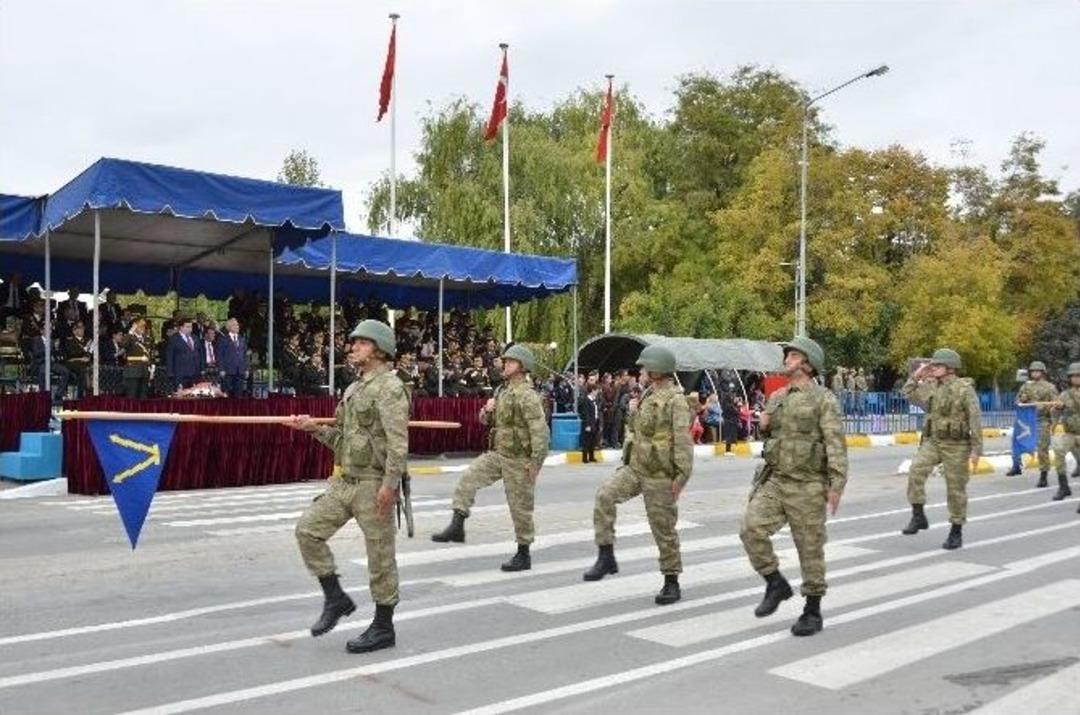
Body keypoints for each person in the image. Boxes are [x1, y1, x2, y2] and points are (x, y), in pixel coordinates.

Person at [289, 319, 409, 654]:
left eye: (361, 343)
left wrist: (389, 485)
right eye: (353, 342)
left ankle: (384, 626)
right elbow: (343, 441)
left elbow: (398, 444)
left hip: (374, 484)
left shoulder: (390, 388)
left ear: (379, 350)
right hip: (345, 481)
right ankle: (335, 597)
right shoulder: (353, 389)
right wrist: (313, 428)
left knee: (380, 556)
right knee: (307, 530)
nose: (352, 347)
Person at [740, 336, 846, 636]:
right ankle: (776, 583)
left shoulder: (823, 399)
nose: (787, 359)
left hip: (808, 485)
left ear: (808, 364)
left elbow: (835, 443)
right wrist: (763, 423)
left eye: (793, 355)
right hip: (776, 479)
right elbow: (768, 435)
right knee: (750, 528)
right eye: (787, 354)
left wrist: (837, 483)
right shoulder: (779, 397)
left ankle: (812, 610)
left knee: (809, 549)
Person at [582, 345, 693, 606]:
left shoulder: (675, 401)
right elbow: (637, 430)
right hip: (636, 467)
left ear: (657, 370)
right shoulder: (646, 395)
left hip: (661, 474)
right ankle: (606, 555)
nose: (640, 371)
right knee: (605, 496)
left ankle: (671, 580)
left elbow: (683, 443)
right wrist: (632, 412)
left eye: (644, 367)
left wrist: (680, 479)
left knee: (663, 529)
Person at [431, 345, 550, 572]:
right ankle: (457, 525)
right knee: (468, 478)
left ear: (521, 367)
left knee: (520, 507)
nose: (504, 365)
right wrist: (487, 410)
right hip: (498, 454)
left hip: (518, 459)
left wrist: (536, 462)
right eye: (504, 361)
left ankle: (523, 553)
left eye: (509, 362)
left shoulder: (527, 395)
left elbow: (540, 431)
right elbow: (485, 421)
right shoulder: (501, 391)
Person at [899, 348, 982, 549]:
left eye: (937, 365)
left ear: (950, 367)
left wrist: (976, 449)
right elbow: (907, 393)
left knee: (955, 488)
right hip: (933, 442)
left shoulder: (964, 388)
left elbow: (975, 417)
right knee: (916, 471)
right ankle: (918, 516)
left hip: (957, 445)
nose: (933, 368)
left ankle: (956, 530)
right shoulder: (931, 387)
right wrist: (917, 375)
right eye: (933, 365)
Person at [1007, 361, 1058, 485]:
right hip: (1027, 421)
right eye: (1032, 371)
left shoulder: (1049, 387)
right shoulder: (1026, 386)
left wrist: (1052, 419)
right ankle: (1016, 466)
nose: (1034, 373)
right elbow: (1017, 401)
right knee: (1017, 442)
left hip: (1042, 420)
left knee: (1042, 448)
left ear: (1043, 372)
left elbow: (1055, 404)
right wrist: (1022, 399)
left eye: (1037, 371)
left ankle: (1043, 475)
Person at [1049, 362, 1080, 505]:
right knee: (1059, 450)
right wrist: (1056, 409)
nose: (1076, 378)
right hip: (1071, 433)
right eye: (1073, 376)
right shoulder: (1065, 394)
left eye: (1078, 376)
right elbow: (1054, 412)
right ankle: (1064, 486)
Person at [217, 317, 249, 397]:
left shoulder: (242, 339)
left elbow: (245, 355)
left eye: (237, 325)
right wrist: (221, 369)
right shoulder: (223, 339)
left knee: (239, 394)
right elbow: (220, 355)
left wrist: (246, 368)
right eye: (235, 325)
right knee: (226, 393)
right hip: (228, 371)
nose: (237, 327)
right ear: (229, 327)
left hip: (240, 371)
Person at [166, 318, 201, 392]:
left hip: (194, 373)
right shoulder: (174, 339)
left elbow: (200, 353)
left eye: (191, 327)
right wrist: (170, 372)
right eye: (187, 327)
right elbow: (170, 356)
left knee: (194, 394)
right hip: (180, 373)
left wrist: (201, 368)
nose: (190, 329)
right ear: (181, 328)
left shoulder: (195, 338)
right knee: (181, 395)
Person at [122, 318, 151, 399]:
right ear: (135, 326)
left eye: (144, 326)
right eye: (140, 326)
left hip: (144, 370)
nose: (143, 328)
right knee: (132, 396)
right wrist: (131, 331)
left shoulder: (147, 339)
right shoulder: (130, 337)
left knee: (143, 397)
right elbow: (123, 344)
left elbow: (150, 353)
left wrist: (151, 367)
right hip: (133, 371)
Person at [578, 382, 601, 463]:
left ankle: (591, 457)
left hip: (595, 422)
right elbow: (586, 413)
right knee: (586, 441)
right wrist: (587, 425)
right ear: (592, 390)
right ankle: (585, 458)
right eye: (596, 390)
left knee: (593, 441)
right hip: (588, 423)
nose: (597, 392)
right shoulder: (586, 400)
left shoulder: (595, 400)